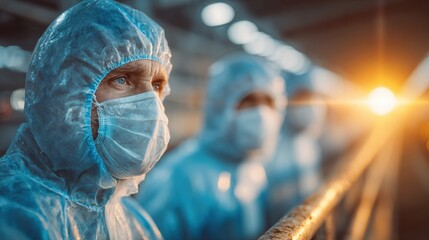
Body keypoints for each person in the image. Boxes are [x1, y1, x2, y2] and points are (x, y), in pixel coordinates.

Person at [0, 1, 172, 239]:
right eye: (122, 79)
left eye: (156, 85)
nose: (150, 104)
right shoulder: (12, 215)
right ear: (63, 92)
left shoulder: (135, 222)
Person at [135, 54, 286, 240]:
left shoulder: (253, 168)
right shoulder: (178, 179)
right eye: (249, 101)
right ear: (219, 107)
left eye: (268, 102)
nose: (261, 114)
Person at [264, 72, 327, 226]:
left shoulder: (310, 143)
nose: (310, 104)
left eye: (313, 97)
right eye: (301, 97)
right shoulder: (268, 148)